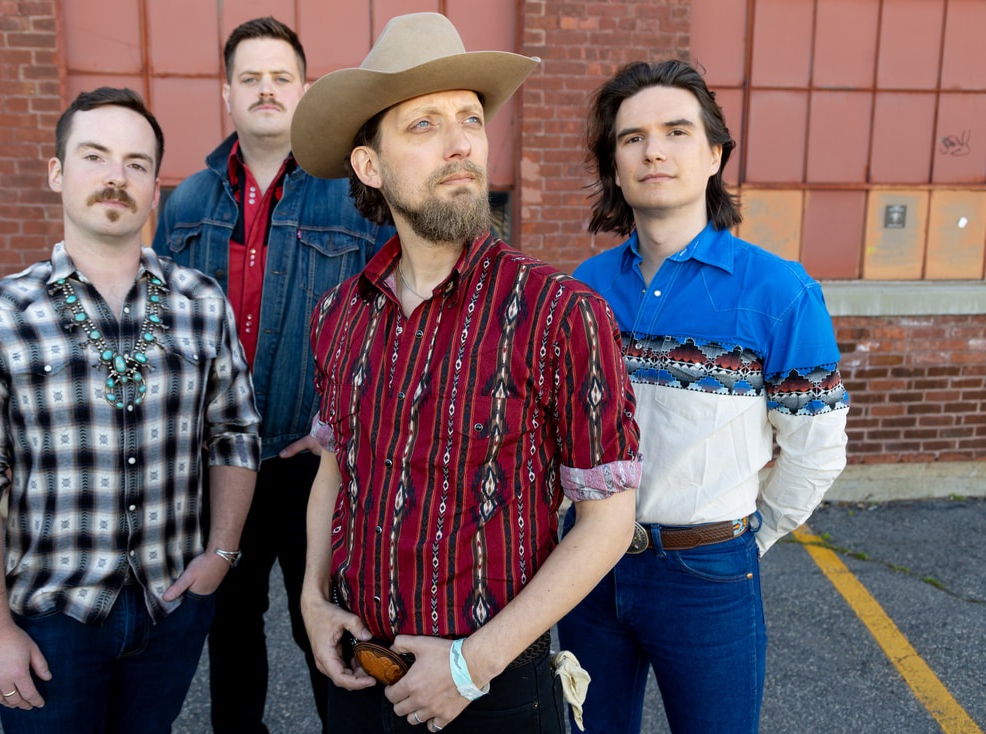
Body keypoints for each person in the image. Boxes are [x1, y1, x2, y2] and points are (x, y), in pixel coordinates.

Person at [289, 12, 643, 734]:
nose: (460, 145)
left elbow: (608, 522)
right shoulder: (338, 314)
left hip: (494, 691)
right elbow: (334, 469)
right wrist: (312, 600)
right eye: (423, 125)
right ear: (370, 166)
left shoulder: (560, 313)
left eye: (471, 120)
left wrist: (469, 665)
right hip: (359, 677)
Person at [0, 87, 261, 733]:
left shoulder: (202, 302)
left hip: (172, 607)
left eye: (136, 163)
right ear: (58, 173)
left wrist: (220, 554)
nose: (116, 176)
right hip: (52, 621)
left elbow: (234, 434)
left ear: (154, 189)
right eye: (95, 156)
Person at [557, 60, 850, 734]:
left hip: (708, 574)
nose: (653, 151)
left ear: (715, 155)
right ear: (614, 166)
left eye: (676, 131)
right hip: (586, 566)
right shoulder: (583, 288)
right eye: (632, 138)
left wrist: (745, 541)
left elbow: (816, 450)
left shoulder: (780, 292)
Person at [152, 17, 394, 734]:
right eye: (250, 77)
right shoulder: (188, 203)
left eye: (280, 77)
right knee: (228, 627)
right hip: (216, 463)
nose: (265, 90)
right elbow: (159, 325)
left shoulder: (350, 195)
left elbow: (390, 318)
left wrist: (341, 427)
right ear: (226, 92)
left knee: (327, 624)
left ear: (303, 90)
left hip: (312, 460)